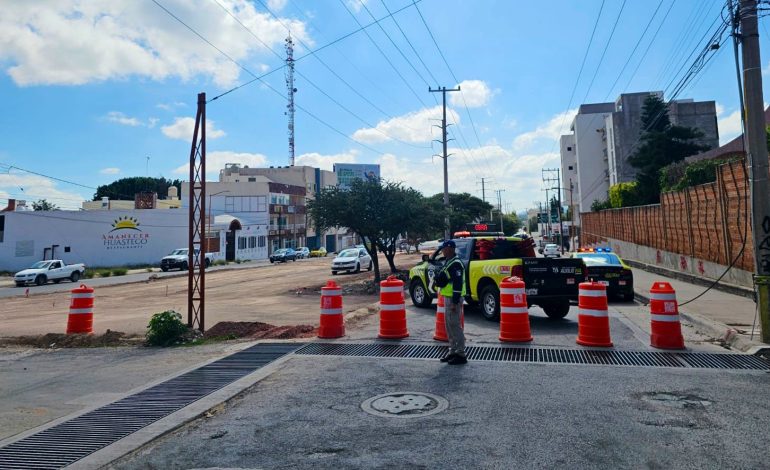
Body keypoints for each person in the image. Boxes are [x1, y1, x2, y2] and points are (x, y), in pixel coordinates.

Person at [434, 240, 467, 365]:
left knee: (455, 326)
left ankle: (461, 354)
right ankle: (453, 351)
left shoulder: (456, 264)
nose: (442, 250)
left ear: (450, 249)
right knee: (449, 326)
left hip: (454, 299)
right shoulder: (449, 261)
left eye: (444, 248)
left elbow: (458, 284)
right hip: (447, 298)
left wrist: (454, 302)